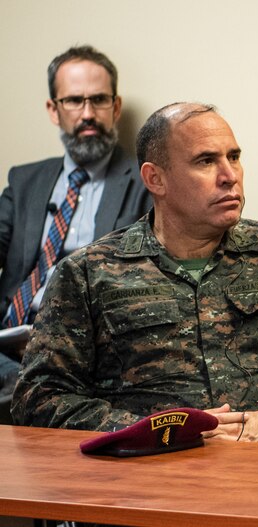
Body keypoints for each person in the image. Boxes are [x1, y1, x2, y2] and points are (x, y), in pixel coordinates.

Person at [12, 103, 258, 445]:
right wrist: (159, 431)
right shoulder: (89, 273)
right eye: (205, 161)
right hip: (144, 477)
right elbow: (40, 396)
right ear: (155, 178)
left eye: (234, 157)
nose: (230, 176)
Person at [0, 45, 151, 420]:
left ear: (115, 108)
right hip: (8, 337)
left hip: (80, 343)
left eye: (98, 100)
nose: (87, 114)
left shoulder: (145, 180)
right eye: (74, 101)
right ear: (54, 109)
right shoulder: (25, 180)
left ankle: (28, 392)